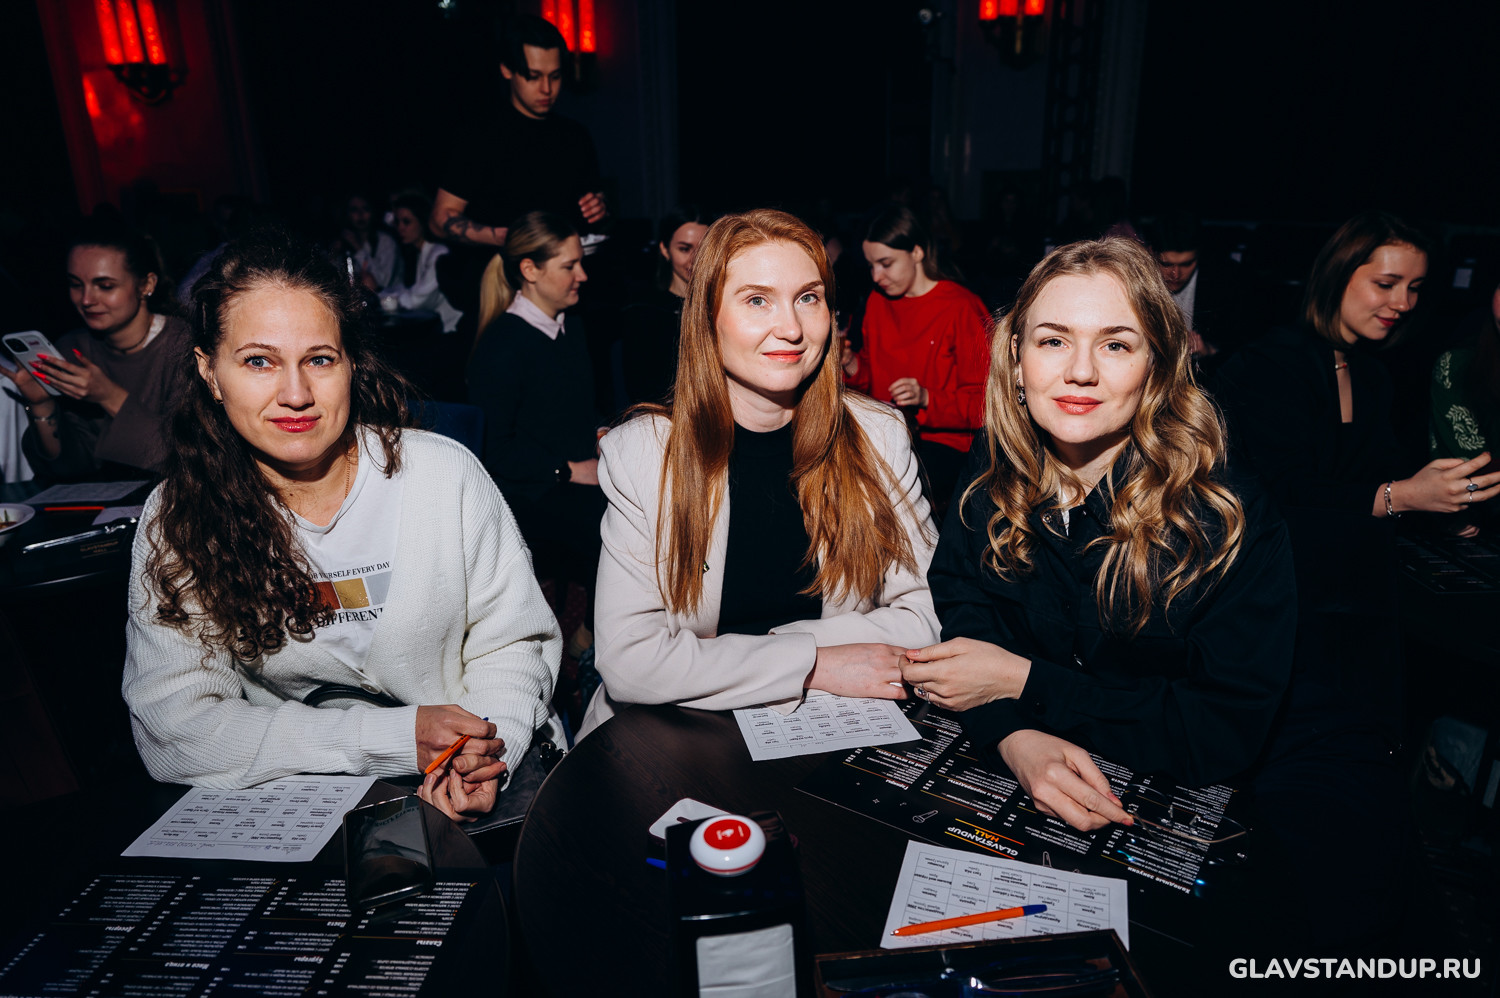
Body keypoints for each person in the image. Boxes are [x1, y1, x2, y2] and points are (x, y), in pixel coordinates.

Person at [122, 230, 561, 820]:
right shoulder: (179, 516)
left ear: (351, 363)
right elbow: (176, 729)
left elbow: (513, 644)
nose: (296, 394)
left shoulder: (442, 474)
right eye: (259, 361)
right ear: (210, 371)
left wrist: (479, 755)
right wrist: (389, 739)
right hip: (305, 804)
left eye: (319, 359)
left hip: (486, 782)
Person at [908, 236, 1296, 825]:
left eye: (1115, 344)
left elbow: (1219, 730)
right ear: (1016, 356)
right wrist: (1012, 735)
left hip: (1164, 801)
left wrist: (1024, 683)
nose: (1080, 372)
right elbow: (965, 609)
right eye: (1053, 341)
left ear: (1157, 365)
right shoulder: (992, 465)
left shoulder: (1225, 514)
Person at [580, 209, 941, 738]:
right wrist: (812, 662)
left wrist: (760, 651)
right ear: (707, 318)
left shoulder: (877, 434)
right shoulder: (644, 453)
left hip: (832, 726)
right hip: (674, 733)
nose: (791, 328)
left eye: (808, 298)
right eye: (756, 300)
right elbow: (630, 661)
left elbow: (929, 612)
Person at [467, 211, 604, 642]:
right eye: (569, 266)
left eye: (581, 263)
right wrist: (569, 469)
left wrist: (602, 434)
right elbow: (495, 451)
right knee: (618, 526)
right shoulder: (502, 346)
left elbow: (576, 411)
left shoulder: (572, 326)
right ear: (530, 270)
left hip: (574, 472)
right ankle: (588, 640)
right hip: (530, 488)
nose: (582, 275)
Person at [5, 220, 191, 479]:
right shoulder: (73, 348)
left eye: (105, 286)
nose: (86, 299)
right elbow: (67, 472)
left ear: (146, 285)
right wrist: (41, 405)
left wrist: (109, 396)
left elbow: (190, 461)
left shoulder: (185, 346)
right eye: (75, 284)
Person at [844, 205, 992, 508]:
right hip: (885, 434)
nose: (876, 276)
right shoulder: (877, 302)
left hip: (944, 445)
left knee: (880, 491)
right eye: (871, 266)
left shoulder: (961, 307)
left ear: (917, 252)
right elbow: (872, 378)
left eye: (886, 263)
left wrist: (927, 398)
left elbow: (987, 404)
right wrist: (850, 363)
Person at [429, 14, 606, 250]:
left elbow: (593, 215)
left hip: (564, 268)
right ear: (506, 69)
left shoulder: (576, 136)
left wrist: (598, 208)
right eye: (533, 77)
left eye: (555, 77)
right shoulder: (479, 136)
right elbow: (439, 220)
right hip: (499, 268)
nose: (547, 89)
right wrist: (498, 237)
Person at [618, 205, 713, 408]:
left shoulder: (721, 305)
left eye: (703, 249)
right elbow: (638, 389)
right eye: (684, 249)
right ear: (664, 249)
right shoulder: (643, 311)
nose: (695, 259)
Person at [1144, 210, 1250, 363]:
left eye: (1187, 264)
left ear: (1199, 255)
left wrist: (1209, 351)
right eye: (1166, 264)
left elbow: (1241, 346)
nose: (1175, 274)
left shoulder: (1225, 282)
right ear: (1150, 252)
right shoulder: (1135, 279)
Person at [379, 192, 463, 334]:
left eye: (406, 222)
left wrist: (380, 293)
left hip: (451, 328)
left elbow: (417, 300)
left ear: (422, 222)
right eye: (397, 222)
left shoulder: (438, 253)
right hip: (434, 327)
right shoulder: (416, 253)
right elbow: (404, 289)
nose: (400, 228)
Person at [334, 192, 399, 292]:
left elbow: (384, 282)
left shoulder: (386, 241)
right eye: (354, 210)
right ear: (347, 214)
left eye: (365, 209)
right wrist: (334, 254)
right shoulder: (343, 243)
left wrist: (358, 248)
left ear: (373, 212)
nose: (360, 214)